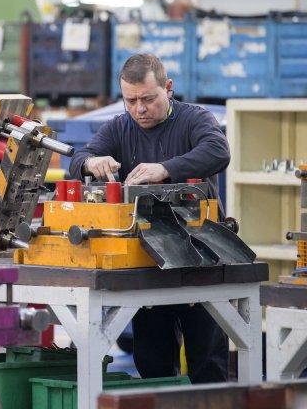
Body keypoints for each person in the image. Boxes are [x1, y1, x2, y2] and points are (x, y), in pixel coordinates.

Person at [69, 53, 230, 383]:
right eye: (130, 100)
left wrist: (166, 169)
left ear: (168, 88)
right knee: (153, 365)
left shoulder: (194, 119)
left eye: (148, 98)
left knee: (208, 367)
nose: (139, 109)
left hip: (201, 257)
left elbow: (218, 150)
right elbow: (79, 157)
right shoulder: (120, 127)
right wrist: (91, 163)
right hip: (146, 260)